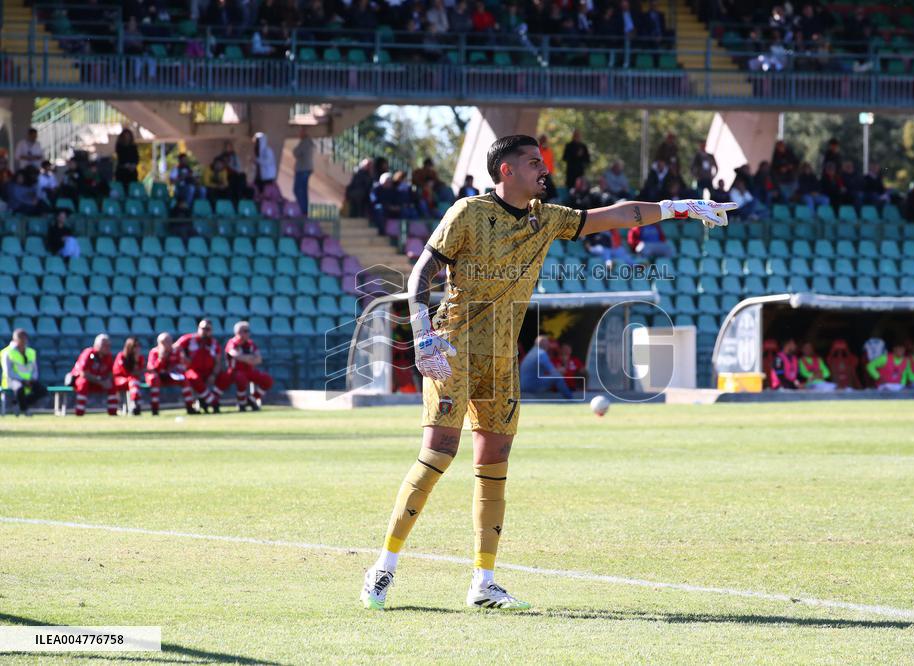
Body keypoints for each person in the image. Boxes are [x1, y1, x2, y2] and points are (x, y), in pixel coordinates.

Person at [359, 133, 735, 611]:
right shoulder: (468, 213)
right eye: (534, 162)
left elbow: (618, 214)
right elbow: (420, 275)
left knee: (494, 466)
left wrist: (679, 207)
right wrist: (422, 336)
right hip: (451, 348)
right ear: (506, 171)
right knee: (438, 454)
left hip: (502, 357)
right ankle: (383, 569)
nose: (544, 169)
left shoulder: (547, 218)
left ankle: (484, 582)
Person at [218, 320, 274, 411]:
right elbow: (236, 356)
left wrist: (246, 358)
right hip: (234, 371)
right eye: (245, 331)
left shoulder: (250, 344)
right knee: (240, 379)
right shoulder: (232, 343)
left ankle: (251, 400)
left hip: (249, 370)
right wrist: (251, 358)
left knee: (267, 380)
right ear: (238, 332)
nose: (248, 333)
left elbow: (259, 359)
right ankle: (241, 403)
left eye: (248, 331)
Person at [174, 319, 224, 413]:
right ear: (198, 328)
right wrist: (182, 356)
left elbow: (218, 362)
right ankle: (212, 402)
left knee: (225, 377)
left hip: (209, 372)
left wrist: (213, 375)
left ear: (211, 331)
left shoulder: (214, 343)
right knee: (194, 378)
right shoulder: (188, 339)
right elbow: (173, 349)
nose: (205, 331)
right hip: (193, 370)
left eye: (208, 329)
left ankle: (205, 399)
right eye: (203, 328)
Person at [146, 332, 197, 416]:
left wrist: (181, 361)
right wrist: (161, 359)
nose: (168, 344)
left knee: (184, 379)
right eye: (165, 342)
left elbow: (183, 366)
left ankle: (190, 407)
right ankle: (154, 409)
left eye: (170, 341)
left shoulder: (176, 351)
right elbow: (152, 369)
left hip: (171, 376)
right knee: (154, 379)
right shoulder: (154, 352)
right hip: (159, 377)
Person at [71, 334, 117, 416]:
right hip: (84, 381)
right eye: (104, 345)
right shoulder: (88, 353)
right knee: (83, 383)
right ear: (96, 345)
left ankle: (113, 412)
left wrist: (107, 380)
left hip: (98, 382)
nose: (107, 347)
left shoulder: (108, 356)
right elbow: (83, 374)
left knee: (112, 384)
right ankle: (79, 412)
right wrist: (100, 381)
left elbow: (111, 372)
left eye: (108, 345)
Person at [1, 329, 44, 415]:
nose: (23, 342)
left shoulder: (30, 352)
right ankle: (24, 409)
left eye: (25, 340)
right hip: (12, 380)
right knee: (19, 388)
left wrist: (32, 379)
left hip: (28, 380)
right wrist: (22, 380)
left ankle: (18, 405)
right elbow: (9, 372)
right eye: (21, 340)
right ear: (15, 340)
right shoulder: (7, 352)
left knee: (42, 391)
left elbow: (34, 369)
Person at [113, 337, 145, 415]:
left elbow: (140, 371)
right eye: (135, 346)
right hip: (119, 380)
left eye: (138, 346)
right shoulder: (121, 356)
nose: (137, 349)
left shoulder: (140, 358)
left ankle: (135, 404)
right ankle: (135, 404)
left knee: (134, 381)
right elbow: (126, 372)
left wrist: (137, 361)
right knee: (133, 381)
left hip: (132, 381)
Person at [293, 126, 315, 215]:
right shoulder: (309, 142)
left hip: (303, 170)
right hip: (305, 169)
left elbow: (296, 152)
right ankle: (303, 210)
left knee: (299, 190)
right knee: (302, 190)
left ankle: (303, 210)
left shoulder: (305, 143)